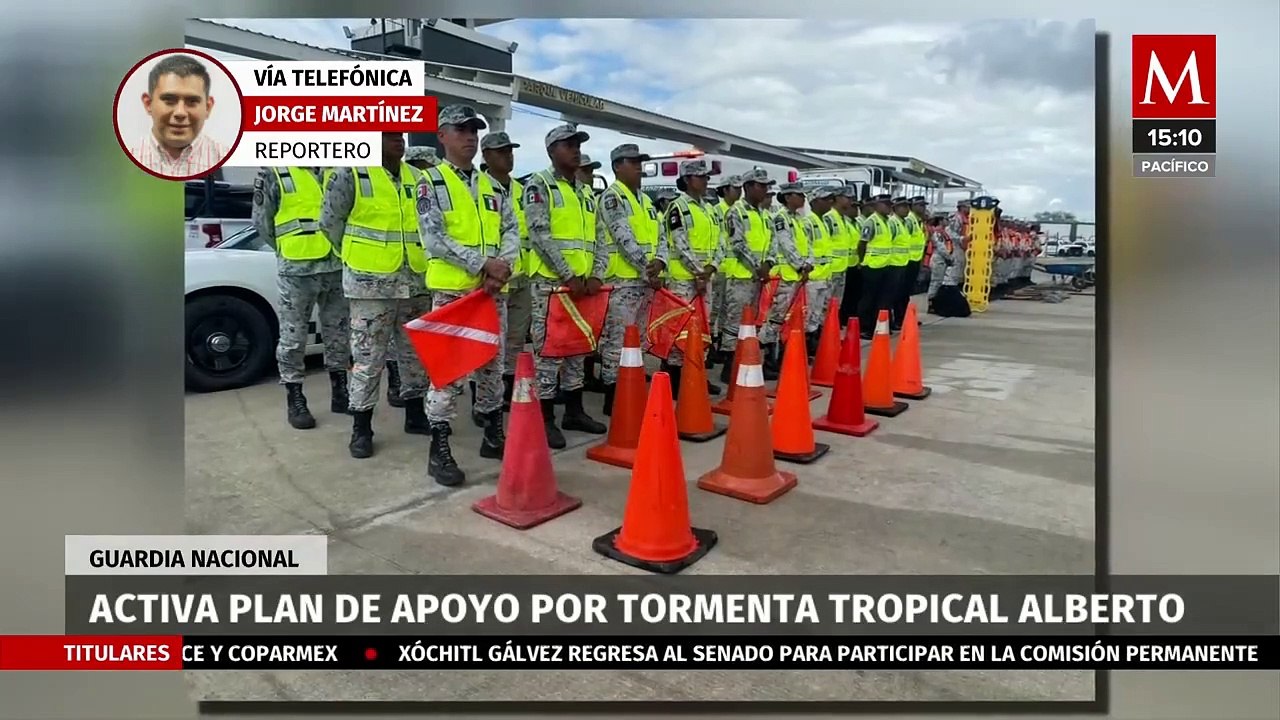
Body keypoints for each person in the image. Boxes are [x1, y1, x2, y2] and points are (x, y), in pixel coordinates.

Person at [415, 105, 520, 486]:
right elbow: (434, 238)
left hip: (492, 293)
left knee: (493, 366)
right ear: (441, 136)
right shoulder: (432, 183)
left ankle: (493, 434)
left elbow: (511, 230)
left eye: (474, 129)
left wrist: (501, 267)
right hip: (454, 294)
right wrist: (483, 265)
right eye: (461, 130)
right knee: (449, 373)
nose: (470, 136)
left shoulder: (492, 185)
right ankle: (438, 449)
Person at [320, 132, 431, 460]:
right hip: (370, 285)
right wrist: (355, 257)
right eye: (390, 136)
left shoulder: (418, 177)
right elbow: (329, 223)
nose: (399, 141)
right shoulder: (350, 173)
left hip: (414, 280)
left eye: (401, 135)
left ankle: (415, 414)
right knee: (368, 360)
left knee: (415, 357)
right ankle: (361, 426)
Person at [521, 124, 609, 449]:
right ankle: (544, 418)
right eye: (567, 144)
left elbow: (600, 238)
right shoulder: (538, 185)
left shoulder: (586, 192)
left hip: (585, 286)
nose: (575, 149)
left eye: (577, 144)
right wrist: (567, 274)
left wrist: (597, 274)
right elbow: (539, 233)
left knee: (577, 348)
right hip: (552, 285)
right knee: (549, 352)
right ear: (551, 151)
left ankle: (574, 410)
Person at [252, 166, 350, 429]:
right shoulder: (274, 172)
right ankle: (295, 396)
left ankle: (340, 391)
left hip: (336, 265)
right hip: (297, 269)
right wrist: (285, 251)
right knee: (294, 338)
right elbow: (262, 222)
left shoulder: (337, 171)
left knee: (339, 335)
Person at [596, 143, 666, 416]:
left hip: (644, 283)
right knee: (617, 343)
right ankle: (613, 396)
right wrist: (648, 268)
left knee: (638, 341)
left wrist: (660, 261)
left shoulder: (646, 201)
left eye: (640, 161)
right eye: (632, 161)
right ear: (616, 166)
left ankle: (631, 388)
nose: (639, 166)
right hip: (622, 282)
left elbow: (661, 236)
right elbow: (622, 236)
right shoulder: (613, 198)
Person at [662, 159, 724, 397]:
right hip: (683, 279)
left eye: (707, 177)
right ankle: (676, 379)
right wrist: (699, 271)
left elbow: (720, 242)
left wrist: (710, 268)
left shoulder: (709, 209)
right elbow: (679, 244)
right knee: (680, 330)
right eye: (701, 177)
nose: (705, 181)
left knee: (702, 329)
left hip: (704, 278)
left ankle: (697, 374)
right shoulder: (678, 207)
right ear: (688, 180)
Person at [480, 131, 532, 415]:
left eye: (510, 150)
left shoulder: (522, 191)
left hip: (521, 275)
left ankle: (509, 388)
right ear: (486, 156)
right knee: (489, 341)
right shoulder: (478, 187)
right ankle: (484, 398)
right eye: (501, 151)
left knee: (515, 338)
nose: (507, 156)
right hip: (492, 279)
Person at [129, 53, 228, 177]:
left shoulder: (227, 161)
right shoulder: (123, 163)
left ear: (208, 107)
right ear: (148, 103)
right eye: (169, 101)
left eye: (192, 102)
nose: (180, 112)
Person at [720, 168, 777, 382]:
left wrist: (768, 263)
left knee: (751, 322)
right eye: (761, 186)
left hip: (757, 278)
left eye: (765, 186)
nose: (765, 190)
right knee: (734, 322)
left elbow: (773, 243)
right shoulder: (736, 212)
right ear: (748, 187)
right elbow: (738, 244)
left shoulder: (765, 215)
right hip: (740, 277)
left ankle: (744, 359)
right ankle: (730, 365)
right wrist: (757, 266)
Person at [760, 182, 813, 369]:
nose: (803, 198)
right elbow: (786, 244)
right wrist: (801, 265)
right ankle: (768, 359)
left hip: (796, 276)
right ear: (789, 197)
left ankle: (781, 353)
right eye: (799, 195)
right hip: (785, 275)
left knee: (788, 318)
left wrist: (808, 264)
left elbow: (807, 243)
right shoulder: (781, 218)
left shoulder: (798, 219)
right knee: (776, 317)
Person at [855, 194, 898, 340]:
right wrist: (862, 261)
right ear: (877, 205)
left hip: (886, 265)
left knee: (883, 299)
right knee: (869, 299)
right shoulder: (871, 222)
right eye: (885, 204)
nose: (888, 207)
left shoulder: (887, 221)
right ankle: (865, 328)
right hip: (872, 266)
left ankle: (878, 326)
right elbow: (862, 244)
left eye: (889, 205)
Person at [892, 195, 928, 330]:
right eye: (921, 205)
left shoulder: (918, 221)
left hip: (913, 260)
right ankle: (899, 318)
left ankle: (905, 317)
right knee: (900, 292)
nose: (924, 208)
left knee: (907, 292)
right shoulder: (909, 220)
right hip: (905, 260)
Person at [833, 187, 862, 324]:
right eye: (848, 198)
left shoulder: (842, 219)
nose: (851, 202)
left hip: (843, 266)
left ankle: (833, 329)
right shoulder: (830, 218)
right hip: (830, 269)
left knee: (837, 303)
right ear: (837, 198)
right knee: (827, 306)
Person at [886, 197, 913, 331]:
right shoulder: (893, 223)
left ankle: (898, 319)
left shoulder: (904, 223)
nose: (906, 209)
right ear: (895, 208)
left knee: (900, 294)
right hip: (892, 264)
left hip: (902, 263)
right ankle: (891, 321)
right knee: (891, 296)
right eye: (903, 206)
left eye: (907, 206)